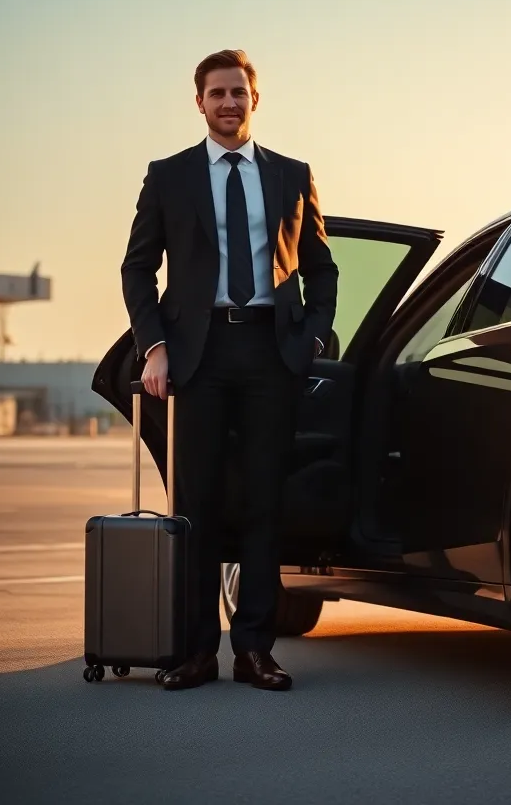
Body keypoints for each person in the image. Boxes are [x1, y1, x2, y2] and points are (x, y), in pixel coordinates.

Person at [121, 49, 338, 691]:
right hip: (198, 355)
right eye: (216, 93)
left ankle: (255, 651)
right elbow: (138, 268)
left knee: (265, 505)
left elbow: (320, 266)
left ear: (254, 99)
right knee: (196, 507)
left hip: (271, 354)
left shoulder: (293, 175)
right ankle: (194, 652)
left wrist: (315, 334)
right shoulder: (169, 175)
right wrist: (153, 346)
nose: (227, 102)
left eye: (238, 92)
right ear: (199, 103)